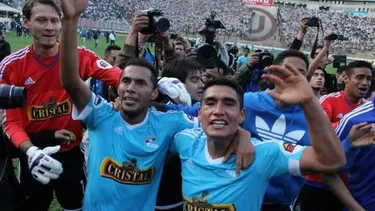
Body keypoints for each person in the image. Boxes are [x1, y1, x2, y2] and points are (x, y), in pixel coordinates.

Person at [59, 1, 253, 210]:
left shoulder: (171, 122)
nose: (131, 88)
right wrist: (70, 21)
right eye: (126, 81)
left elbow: (215, 124)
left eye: (141, 83)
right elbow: (71, 82)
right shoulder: (101, 116)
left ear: (154, 92)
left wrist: (241, 133)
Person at [0, 0, 122, 210]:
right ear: (26, 22)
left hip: (72, 153)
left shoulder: (80, 55)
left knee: (76, 206)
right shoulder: (11, 66)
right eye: (41, 20)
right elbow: (11, 122)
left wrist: (123, 95)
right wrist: (31, 152)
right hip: (34, 155)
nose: (49, 27)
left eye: (54, 20)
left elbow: (119, 77)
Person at [170, 73, 347, 211]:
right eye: (210, 102)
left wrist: (309, 102)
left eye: (229, 103)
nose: (218, 110)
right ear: (200, 113)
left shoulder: (264, 153)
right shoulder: (185, 141)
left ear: (242, 115)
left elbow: (332, 161)